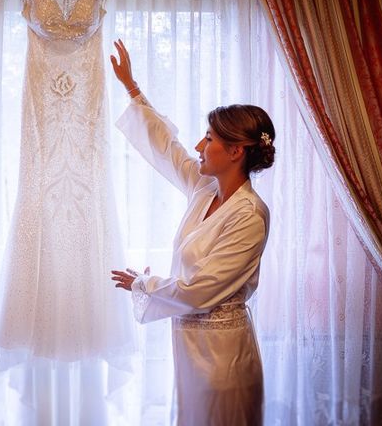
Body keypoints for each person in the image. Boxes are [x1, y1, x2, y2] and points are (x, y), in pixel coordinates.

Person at [109, 39, 275, 425]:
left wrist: (144, 284)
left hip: (223, 359)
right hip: (191, 350)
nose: (200, 145)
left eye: (211, 138)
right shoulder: (205, 191)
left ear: (236, 152)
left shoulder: (250, 215)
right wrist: (133, 88)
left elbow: (202, 289)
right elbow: (169, 149)